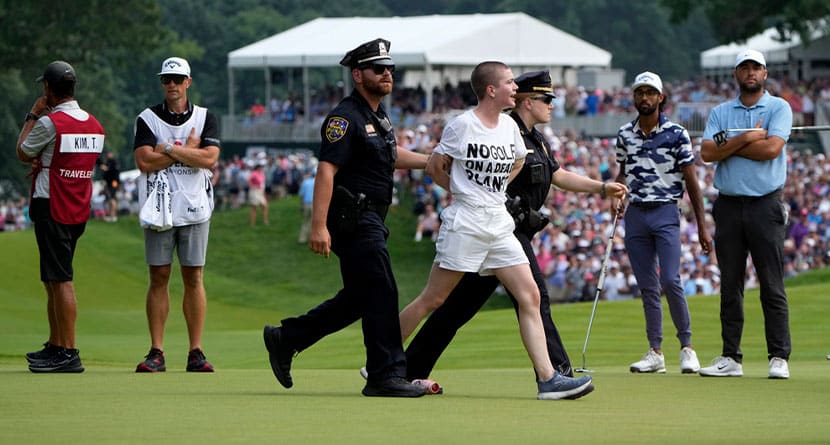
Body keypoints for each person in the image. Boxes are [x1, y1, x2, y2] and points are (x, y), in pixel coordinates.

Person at [404, 70, 627, 386]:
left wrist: (602, 187)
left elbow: (556, 176)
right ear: (527, 101)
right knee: (461, 300)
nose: (551, 104)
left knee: (468, 307)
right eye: (546, 99)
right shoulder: (487, 129)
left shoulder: (531, 137)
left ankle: (408, 367)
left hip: (502, 228)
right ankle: (555, 372)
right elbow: (446, 168)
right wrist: (465, 191)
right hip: (494, 225)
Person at [262, 38, 430, 397]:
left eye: (390, 69)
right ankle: (385, 375)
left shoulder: (378, 115)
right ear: (358, 74)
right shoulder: (345, 117)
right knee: (383, 289)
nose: (387, 74)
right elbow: (326, 171)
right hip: (353, 216)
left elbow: (391, 155)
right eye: (378, 69)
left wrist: (430, 160)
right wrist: (319, 226)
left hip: (370, 216)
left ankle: (286, 337)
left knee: (359, 297)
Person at [699, 49, 793, 379]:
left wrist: (731, 144)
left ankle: (779, 356)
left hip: (765, 204)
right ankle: (731, 357)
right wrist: (749, 135)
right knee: (730, 283)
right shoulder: (721, 111)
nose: (750, 73)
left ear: (765, 73)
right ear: (736, 74)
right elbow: (708, 153)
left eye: (756, 68)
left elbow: (771, 149)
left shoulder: (779, 107)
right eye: (744, 68)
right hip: (728, 204)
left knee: (771, 282)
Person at [613, 71, 711, 374]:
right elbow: (622, 173)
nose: (644, 98)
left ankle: (687, 347)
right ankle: (655, 352)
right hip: (636, 214)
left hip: (666, 212)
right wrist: (616, 195)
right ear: (634, 97)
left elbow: (692, 184)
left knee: (671, 279)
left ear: (660, 98)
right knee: (648, 287)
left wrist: (703, 227)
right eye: (639, 92)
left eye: (650, 93)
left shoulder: (678, 134)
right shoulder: (624, 134)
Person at [133, 57, 221, 373]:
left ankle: (195, 351)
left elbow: (209, 158)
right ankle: (156, 351)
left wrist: (167, 149)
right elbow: (144, 161)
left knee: (193, 276)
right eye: (166, 79)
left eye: (177, 78)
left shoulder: (205, 117)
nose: (171, 84)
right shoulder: (147, 118)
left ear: (188, 82)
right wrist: (187, 151)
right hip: (159, 207)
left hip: (195, 207)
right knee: (159, 276)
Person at [17, 60, 105, 373]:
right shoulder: (95, 124)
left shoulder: (50, 122)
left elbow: (23, 151)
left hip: (52, 205)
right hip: (77, 207)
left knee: (61, 280)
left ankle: (68, 351)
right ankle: (56, 345)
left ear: (48, 90)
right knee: (53, 279)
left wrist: (33, 114)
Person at [99, 151, 120, 222]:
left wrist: (106, 169)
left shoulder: (112, 163)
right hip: (113, 183)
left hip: (112, 183)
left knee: (112, 199)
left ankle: (112, 216)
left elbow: (111, 172)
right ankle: (112, 215)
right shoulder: (113, 162)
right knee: (112, 199)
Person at [297, 168, 315, 243]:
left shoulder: (305, 182)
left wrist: (301, 205)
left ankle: (302, 239)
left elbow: (302, 195)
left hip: (306, 203)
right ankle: (313, 240)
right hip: (315, 204)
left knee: (305, 222)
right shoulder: (319, 182)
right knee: (315, 223)